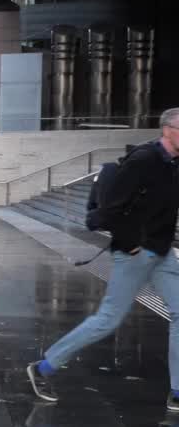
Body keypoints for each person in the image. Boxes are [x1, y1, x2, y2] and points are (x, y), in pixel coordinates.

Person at [27, 108, 179, 410]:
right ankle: (43, 367)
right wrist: (132, 246)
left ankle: (177, 391)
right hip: (134, 253)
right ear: (168, 130)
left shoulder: (173, 164)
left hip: (162, 253)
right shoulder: (143, 160)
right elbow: (110, 209)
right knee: (108, 320)